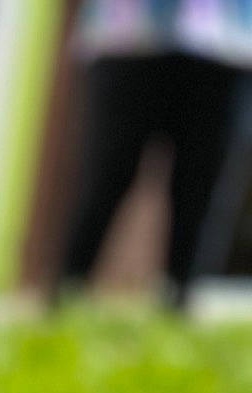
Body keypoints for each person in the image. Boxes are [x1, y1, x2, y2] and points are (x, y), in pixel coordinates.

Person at [59, 0, 252, 307]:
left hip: (223, 37)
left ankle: (180, 296)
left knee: (200, 183)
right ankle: (67, 288)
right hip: (128, 29)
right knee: (106, 174)